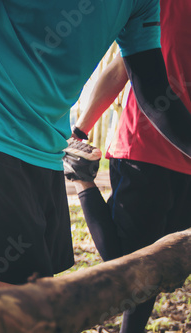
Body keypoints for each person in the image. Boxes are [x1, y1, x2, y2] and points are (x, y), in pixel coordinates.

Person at [0, 0, 191, 291]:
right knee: (0, 292)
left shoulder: (142, 2)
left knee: (40, 285)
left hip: (48, 141)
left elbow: (154, 93)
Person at [64, 0, 191, 331]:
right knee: (131, 266)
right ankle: (83, 180)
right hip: (143, 149)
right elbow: (122, 67)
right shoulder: (159, 5)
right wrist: (79, 130)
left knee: (166, 266)